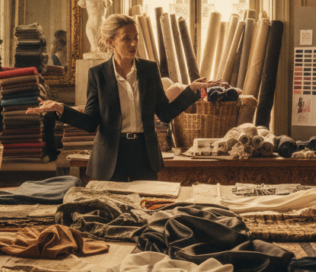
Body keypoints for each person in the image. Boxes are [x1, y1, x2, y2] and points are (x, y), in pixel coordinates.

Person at [30, 14, 219, 181]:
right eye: (126, 39)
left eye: (135, 38)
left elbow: (164, 113)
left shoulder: (149, 69)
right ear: (110, 42)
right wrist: (60, 109)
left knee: (145, 211)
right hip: (111, 156)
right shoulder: (98, 74)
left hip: (144, 154)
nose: (134, 44)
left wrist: (192, 90)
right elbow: (90, 122)